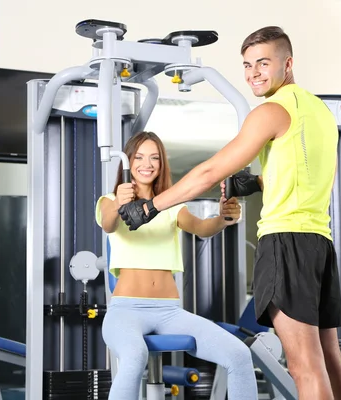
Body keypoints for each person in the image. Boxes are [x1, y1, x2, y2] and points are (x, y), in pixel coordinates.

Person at [117, 27, 341, 400]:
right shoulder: (319, 110)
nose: (253, 74)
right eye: (247, 65)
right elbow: (309, 174)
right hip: (318, 244)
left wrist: (151, 207)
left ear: (287, 64)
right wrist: (260, 183)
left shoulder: (270, 111)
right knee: (330, 361)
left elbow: (210, 172)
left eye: (263, 63)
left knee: (305, 368)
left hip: (285, 242)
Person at [96, 131, 258, 400]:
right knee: (135, 356)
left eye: (154, 158)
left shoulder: (170, 206)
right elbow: (107, 223)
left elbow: (202, 229)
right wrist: (118, 202)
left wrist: (223, 218)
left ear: (161, 164)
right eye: (139, 157)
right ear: (128, 163)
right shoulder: (109, 200)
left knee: (239, 354)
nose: (146, 164)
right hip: (126, 311)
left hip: (170, 312)